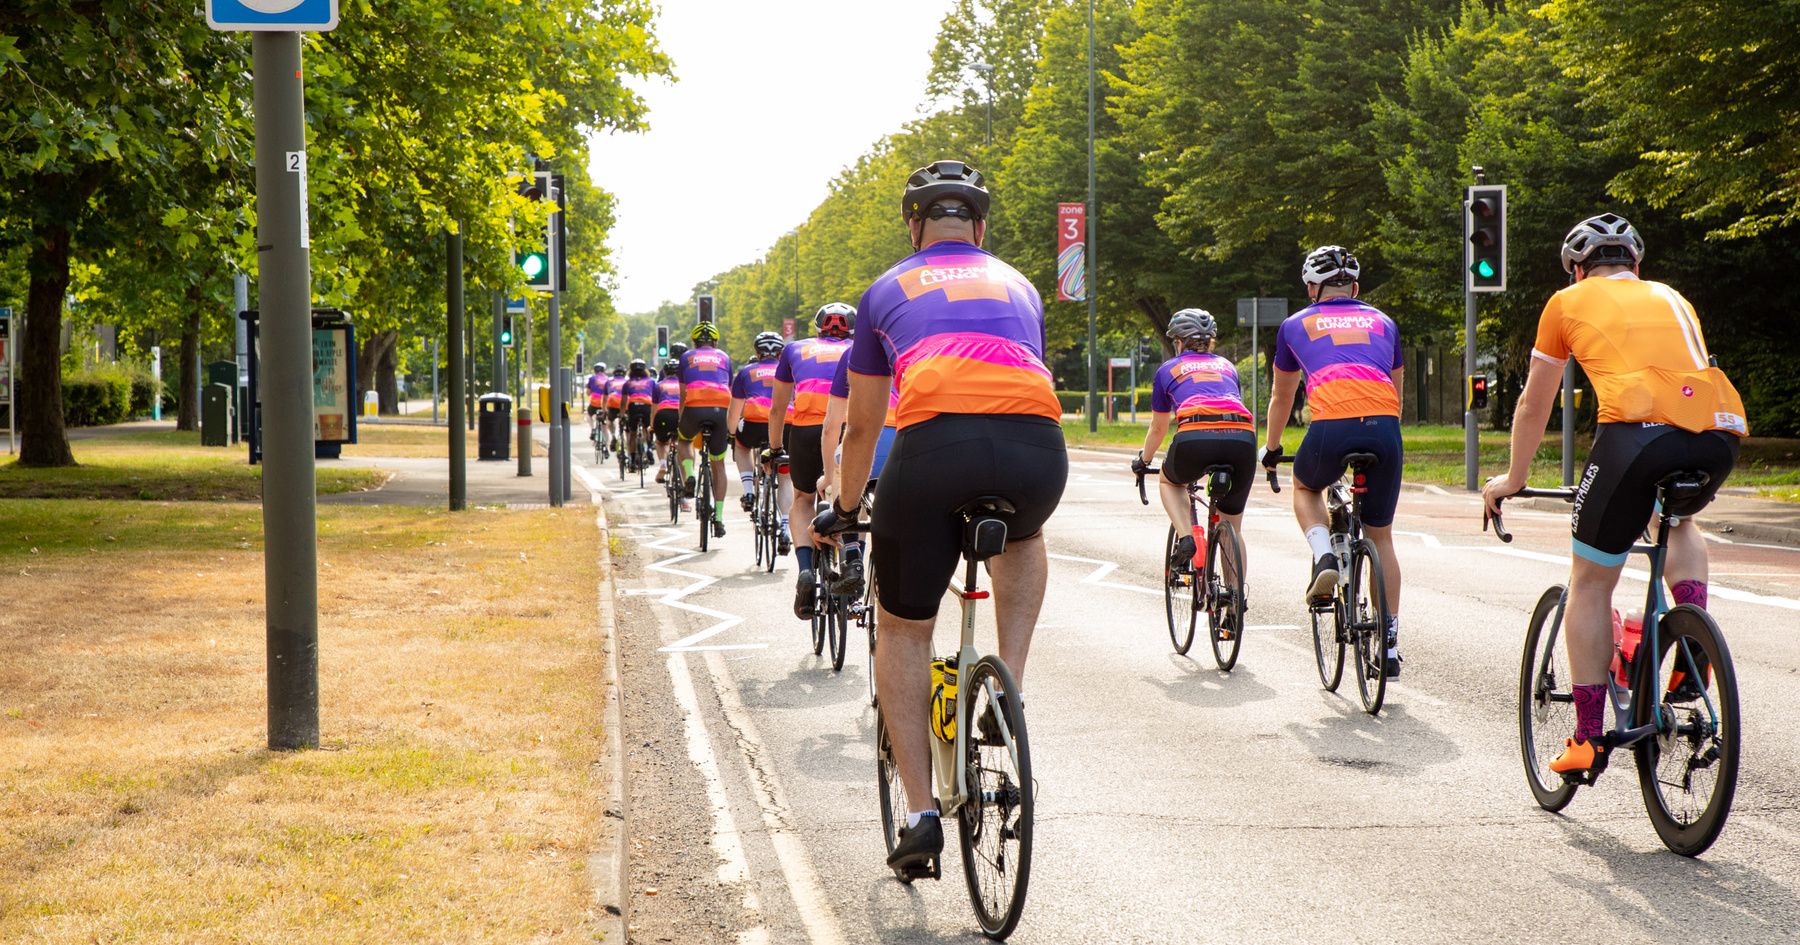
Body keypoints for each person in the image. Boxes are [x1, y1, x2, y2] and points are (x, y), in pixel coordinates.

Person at [813, 159, 1067, 874]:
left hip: (933, 452)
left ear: (914, 224)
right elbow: (1023, 381)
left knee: (902, 624)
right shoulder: (1020, 283)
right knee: (1026, 533)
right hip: (1037, 454)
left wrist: (843, 506)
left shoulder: (886, 288)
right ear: (981, 228)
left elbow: (862, 429)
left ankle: (922, 815)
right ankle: (1005, 684)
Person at [1482, 213, 1745, 778]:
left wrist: (1512, 478)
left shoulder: (1565, 301)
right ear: (1637, 265)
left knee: (1591, 579)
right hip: (1719, 433)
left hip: (1635, 438)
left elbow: (1533, 403)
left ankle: (1588, 737)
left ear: (1577, 270)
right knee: (1676, 524)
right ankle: (1690, 630)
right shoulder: (1673, 297)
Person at [1260, 245, 1406, 679]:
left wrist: (1271, 449)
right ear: (1356, 287)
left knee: (1306, 488)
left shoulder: (1293, 325)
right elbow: (1396, 389)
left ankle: (1325, 556)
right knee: (1382, 539)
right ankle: (1390, 645)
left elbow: (1282, 396)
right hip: (1384, 428)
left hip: (1331, 427)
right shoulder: (1384, 321)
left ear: (1311, 288)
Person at [1130, 309, 1256, 631]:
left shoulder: (1168, 369)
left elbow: (1160, 428)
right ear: (1210, 341)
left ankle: (1187, 538)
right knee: (1232, 527)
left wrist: (1143, 461)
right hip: (1243, 439)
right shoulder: (1227, 366)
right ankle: (1235, 597)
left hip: (1195, 437)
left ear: (1179, 342)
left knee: (1170, 482)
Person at [768, 303, 855, 619]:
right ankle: (851, 560)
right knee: (851, 497)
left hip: (804, 431)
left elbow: (777, 409)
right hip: (848, 426)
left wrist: (776, 448)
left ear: (819, 328)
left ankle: (805, 570)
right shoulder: (861, 349)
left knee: (803, 498)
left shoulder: (794, 348)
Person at [819, 346, 899, 596]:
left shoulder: (853, 353)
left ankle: (852, 557)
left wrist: (829, 478)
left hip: (871, 441)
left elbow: (832, 426)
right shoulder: (918, 344)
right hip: (908, 439)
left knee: (851, 483)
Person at [679, 322, 733, 537]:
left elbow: (683, 394)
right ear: (715, 342)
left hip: (695, 408)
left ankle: (690, 474)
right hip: (721, 409)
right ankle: (719, 518)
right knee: (718, 464)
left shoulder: (686, 357)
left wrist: (681, 419)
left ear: (694, 342)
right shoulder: (725, 357)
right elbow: (728, 387)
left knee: (683, 440)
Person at [728, 332, 788, 524]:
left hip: (754, 425)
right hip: (784, 425)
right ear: (781, 353)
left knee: (741, 444)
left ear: (757, 352)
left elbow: (734, 411)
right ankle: (786, 528)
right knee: (787, 478)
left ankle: (748, 492)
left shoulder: (746, 371)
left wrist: (731, 435)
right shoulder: (789, 370)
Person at [652, 358, 683, 489]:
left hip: (663, 414)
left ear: (664, 372)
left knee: (660, 442)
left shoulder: (658, 385)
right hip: (679, 414)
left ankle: (663, 463)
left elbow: (654, 408)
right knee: (684, 443)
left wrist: (652, 426)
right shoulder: (684, 385)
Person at [621, 359, 656, 469]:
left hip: (633, 406)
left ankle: (631, 459)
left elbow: (623, 402)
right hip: (647, 405)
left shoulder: (628, 383)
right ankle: (648, 448)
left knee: (632, 433)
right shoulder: (651, 382)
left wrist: (622, 416)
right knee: (647, 429)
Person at [587, 363, 610, 455]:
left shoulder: (592, 378)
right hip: (604, 403)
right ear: (604, 371)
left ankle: (592, 428)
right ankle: (606, 447)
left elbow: (588, 393)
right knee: (605, 427)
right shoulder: (608, 379)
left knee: (588, 414)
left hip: (594, 402)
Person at [604, 365, 627, 451]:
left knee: (609, 421)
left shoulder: (609, 381)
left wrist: (604, 411)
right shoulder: (627, 381)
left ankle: (613, 436)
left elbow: (604, 398)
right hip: (625, 404)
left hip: (612, 402)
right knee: (627, 423)